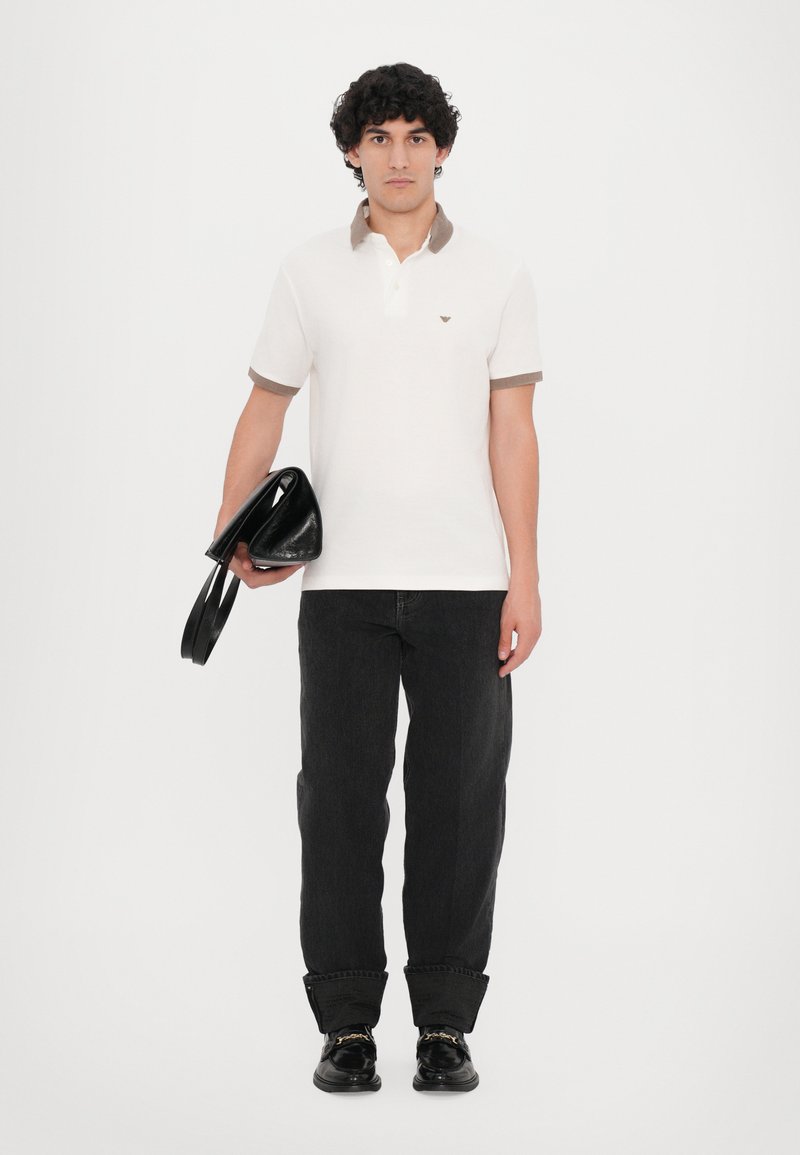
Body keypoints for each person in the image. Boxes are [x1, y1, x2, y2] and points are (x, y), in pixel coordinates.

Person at [213, 62, 545, 1093]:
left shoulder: (496, 273)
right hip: (340, 586)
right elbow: (264, 409)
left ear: (442, 149)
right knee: (339, 806)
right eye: (379, 138)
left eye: (415, 137)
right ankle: (347, 1027)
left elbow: (513, 433)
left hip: (466, 584)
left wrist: (525, 577)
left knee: (460, 809)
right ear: (351, 152)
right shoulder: (308, 271)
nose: (398, 156)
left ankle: (444, 1027)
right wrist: (230, 536)